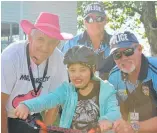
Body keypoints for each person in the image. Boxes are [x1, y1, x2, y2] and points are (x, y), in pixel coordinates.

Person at [14, 45, 121, 132]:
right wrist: (27, 105)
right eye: (72, 70)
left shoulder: (106, 89)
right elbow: (48, 99)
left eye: (82, 70)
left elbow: (115, 111)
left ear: (92, 69)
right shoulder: (67, 89)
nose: (76, 75)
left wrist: (106, 119)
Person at [1, 12, 73, 133]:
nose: (45, 47)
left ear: (57, 44)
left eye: (51, 42)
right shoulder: (11, 56)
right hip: (5, 116)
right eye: (41, 39)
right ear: (30, 37)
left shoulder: (59, 59)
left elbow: (55, 102)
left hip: (33, 116)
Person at [108, 31, 157, 133]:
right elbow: (114, 111)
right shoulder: (113, 76)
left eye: (128, 51)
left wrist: (134, 127)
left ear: (139, 49)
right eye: (117, 55)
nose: (124, 58)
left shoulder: (155, 69)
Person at [61, 2, 115, 80]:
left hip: (111, 90)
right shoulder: (71, 44)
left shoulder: (116, 44)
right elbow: (62, 72)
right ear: (84, 22)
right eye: (89, 19)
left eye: (99, 18)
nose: (94, 23)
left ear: (105, 20)